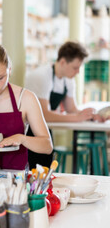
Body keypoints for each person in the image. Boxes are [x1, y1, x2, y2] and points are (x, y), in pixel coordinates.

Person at [24, 41, 99, 169]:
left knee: (45, 169)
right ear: (63, 62)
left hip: (46, 129)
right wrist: (77, 117)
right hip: (29, 131)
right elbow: (44, 115)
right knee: (34, 171)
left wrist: (91, 116)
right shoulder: (42, 76)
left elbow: (71, 109)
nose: (78, 72)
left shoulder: (68, 80)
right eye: (75, 68)